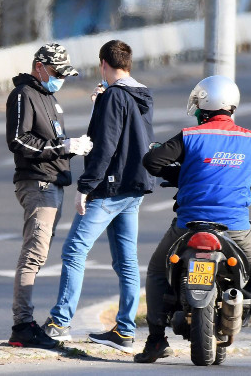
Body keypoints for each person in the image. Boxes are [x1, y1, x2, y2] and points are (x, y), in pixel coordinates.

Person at [135, 75, 251, 369]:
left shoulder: (190, 135)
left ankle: (156, 341)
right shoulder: (250, 139)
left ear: (203, 104)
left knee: (156, 271)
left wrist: (181, 176)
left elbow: (152, 162)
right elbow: (235, 175)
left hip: (188, 225)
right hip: (234, 228)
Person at [41, 40, 154, 353]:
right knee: (127, 262)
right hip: (135, 187)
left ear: (104, 63)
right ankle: (126, 331)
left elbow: (105, 145)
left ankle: (60, 322)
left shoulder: (114, 96)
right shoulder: (141, 94)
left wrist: (85, 186)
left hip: (110, 188)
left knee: (75, 250)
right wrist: (98, 106)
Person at [5, 43, 93, 349]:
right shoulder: (23, 95)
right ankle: (22, 324)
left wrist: (69, 144)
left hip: (53, 184)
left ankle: (25, 322)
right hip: (37, 184)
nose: (60, 79)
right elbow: (18, 140)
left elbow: (50, 138)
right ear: (39, 66)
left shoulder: (48, 97)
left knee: (38, 256)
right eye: (56, 73)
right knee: (33, 255)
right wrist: (63, 147)